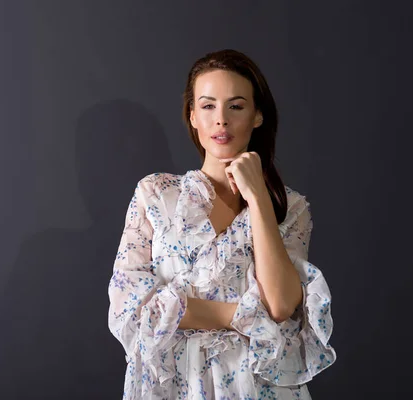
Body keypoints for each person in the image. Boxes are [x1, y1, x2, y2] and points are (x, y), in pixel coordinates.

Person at [107, 48, 337, 399]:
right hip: (177, 383)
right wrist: (241, 316)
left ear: (257, 116)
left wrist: (258, 196)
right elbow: (132, 307)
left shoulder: (290, 207)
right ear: (193, 116)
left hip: (261, 386)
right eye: (208, 106)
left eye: (236, 106)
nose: (221, 121)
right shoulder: (156, 195)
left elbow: (279, 305)